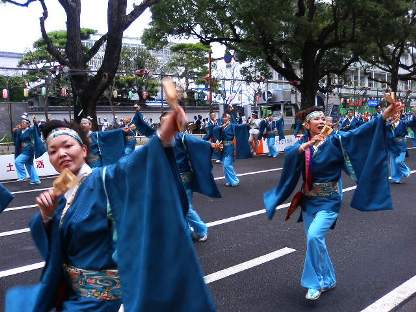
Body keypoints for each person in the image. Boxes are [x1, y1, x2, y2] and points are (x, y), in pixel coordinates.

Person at [6, 108, 215, 312]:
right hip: (75, 296)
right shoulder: (61, 190)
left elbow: (132, 166)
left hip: (105, 301)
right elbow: (55, 242)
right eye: (52, 151)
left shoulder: (104, 179)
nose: (61, 154)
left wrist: (164, 135)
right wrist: (46, 216)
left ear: (84, 150)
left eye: (67, 146)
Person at [263, 99, 402, 301]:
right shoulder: (304, 145)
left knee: (313, 237)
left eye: (323, 118)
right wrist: (304, 147)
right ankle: (328, 279)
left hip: (329, 200)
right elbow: (291, 156)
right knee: (317, 242)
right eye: (316, 119)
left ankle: (314, 283)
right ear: (307, 125)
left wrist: (384, 115)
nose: (321, 121)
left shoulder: (336, 139)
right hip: (309, 201)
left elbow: (359, 133)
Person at [133, 111, 221, 242]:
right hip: (167, 177)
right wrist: (137, 112)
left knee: (185, 206)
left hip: (183, 176)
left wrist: (212, 145)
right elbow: (144, 127)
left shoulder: (181, 137)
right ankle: (186, 232)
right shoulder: (157, 137)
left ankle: (201, 230)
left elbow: (199, 144)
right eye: (163, 122)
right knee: (174, 207)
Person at [213, 113, 251, 186]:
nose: (223, 118)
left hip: (230, 146)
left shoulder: (232, 125)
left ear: (229, 118)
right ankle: (229, 181)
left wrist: (247, 124)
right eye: (223, 117)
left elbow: (239, 126)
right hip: (223, 147)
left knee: (227, 164)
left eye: (225, 117)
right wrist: (222, 126)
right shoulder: (221, 126)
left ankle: (235, 180)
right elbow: (215, 129)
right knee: (224, 165)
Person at [12, 114, 45, 184]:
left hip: (29, 149)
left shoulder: (30, 130)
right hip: (24, 150)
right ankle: (35, 180)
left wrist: (35, 122)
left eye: (24, 122)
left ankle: (22, 176)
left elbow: (36, 128)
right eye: (22, 122)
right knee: (29, 164)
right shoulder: (20, 131)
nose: (22, 123)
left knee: (18, 161)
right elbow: (17, 136)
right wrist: (15, 131)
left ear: (28, 124)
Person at [386, 108, 416, 183]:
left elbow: (413, 122)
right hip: (392, 145)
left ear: (399, 115)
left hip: (401, 144)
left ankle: (406, 171)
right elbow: (384, 128)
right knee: (393, 163)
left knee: (398, 161)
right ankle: (396, 178)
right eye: (394, 114)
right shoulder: (389, 123)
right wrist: (390, 122)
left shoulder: (403, 122)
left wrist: (415, 114)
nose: (395, 115)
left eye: (397, 113)